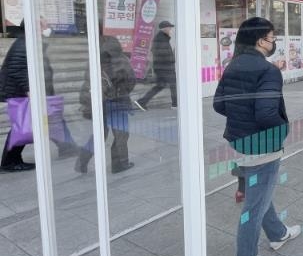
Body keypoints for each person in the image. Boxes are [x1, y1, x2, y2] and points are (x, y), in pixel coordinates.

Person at [213, 17, 300, 256]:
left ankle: (278, 234)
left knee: (260, 193)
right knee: (254, 205)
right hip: (262, 144)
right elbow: (265, 113)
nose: (274, 43)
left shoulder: (233, 65)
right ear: (261, 40)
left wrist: (241, 116)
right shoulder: (268, 70)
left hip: (239, 140)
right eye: (273, 38)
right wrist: (282, 129)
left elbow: (219, 104)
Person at [0, 18, 76, 172]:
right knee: (22, 126)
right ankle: (9, 162)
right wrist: (32, 92)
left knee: (52, 118)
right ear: (35, 26)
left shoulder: (30, 42)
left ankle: (67, 147)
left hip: (34, 92)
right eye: (44, 24)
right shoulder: (24, 44)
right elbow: (17, 69)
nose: (48, 26)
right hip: (24, 93)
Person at [75, 34, 136, 174]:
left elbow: (87, 82)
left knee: (99, 135)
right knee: (121, 134)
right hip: (118, 102)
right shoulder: (121, 60)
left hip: (99, 103)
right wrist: (122, 92)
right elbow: (131, 81)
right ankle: (119, 164)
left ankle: (81, 162)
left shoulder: (94, 60)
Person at [135, 20, 176, 110]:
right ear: (164, 29)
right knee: (174, 84)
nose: (170, 29)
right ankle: (175, 105)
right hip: (165, 67)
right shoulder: (161, 38)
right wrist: (171, 59)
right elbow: (159, 52)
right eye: (169, 28)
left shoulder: (163, 38)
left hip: (162, 67)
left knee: (160, 86)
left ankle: (142, 102)